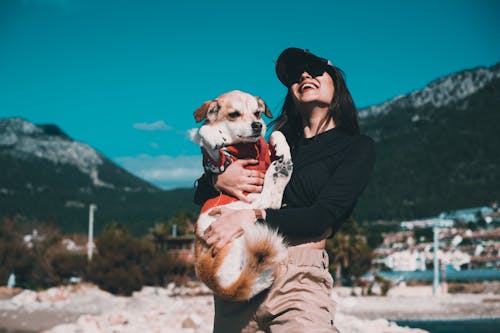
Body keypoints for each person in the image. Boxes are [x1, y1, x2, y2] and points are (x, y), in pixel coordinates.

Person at [194, 47, 375, 333]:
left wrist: (252, 216)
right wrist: (219, 179)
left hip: (297, 277)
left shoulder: (356, 147)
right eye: (294, 74)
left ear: (336, 81)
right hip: (238, 275)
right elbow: (203, 194)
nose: (304, 74)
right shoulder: (271, 142)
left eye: (314, 68)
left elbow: (322, 218)